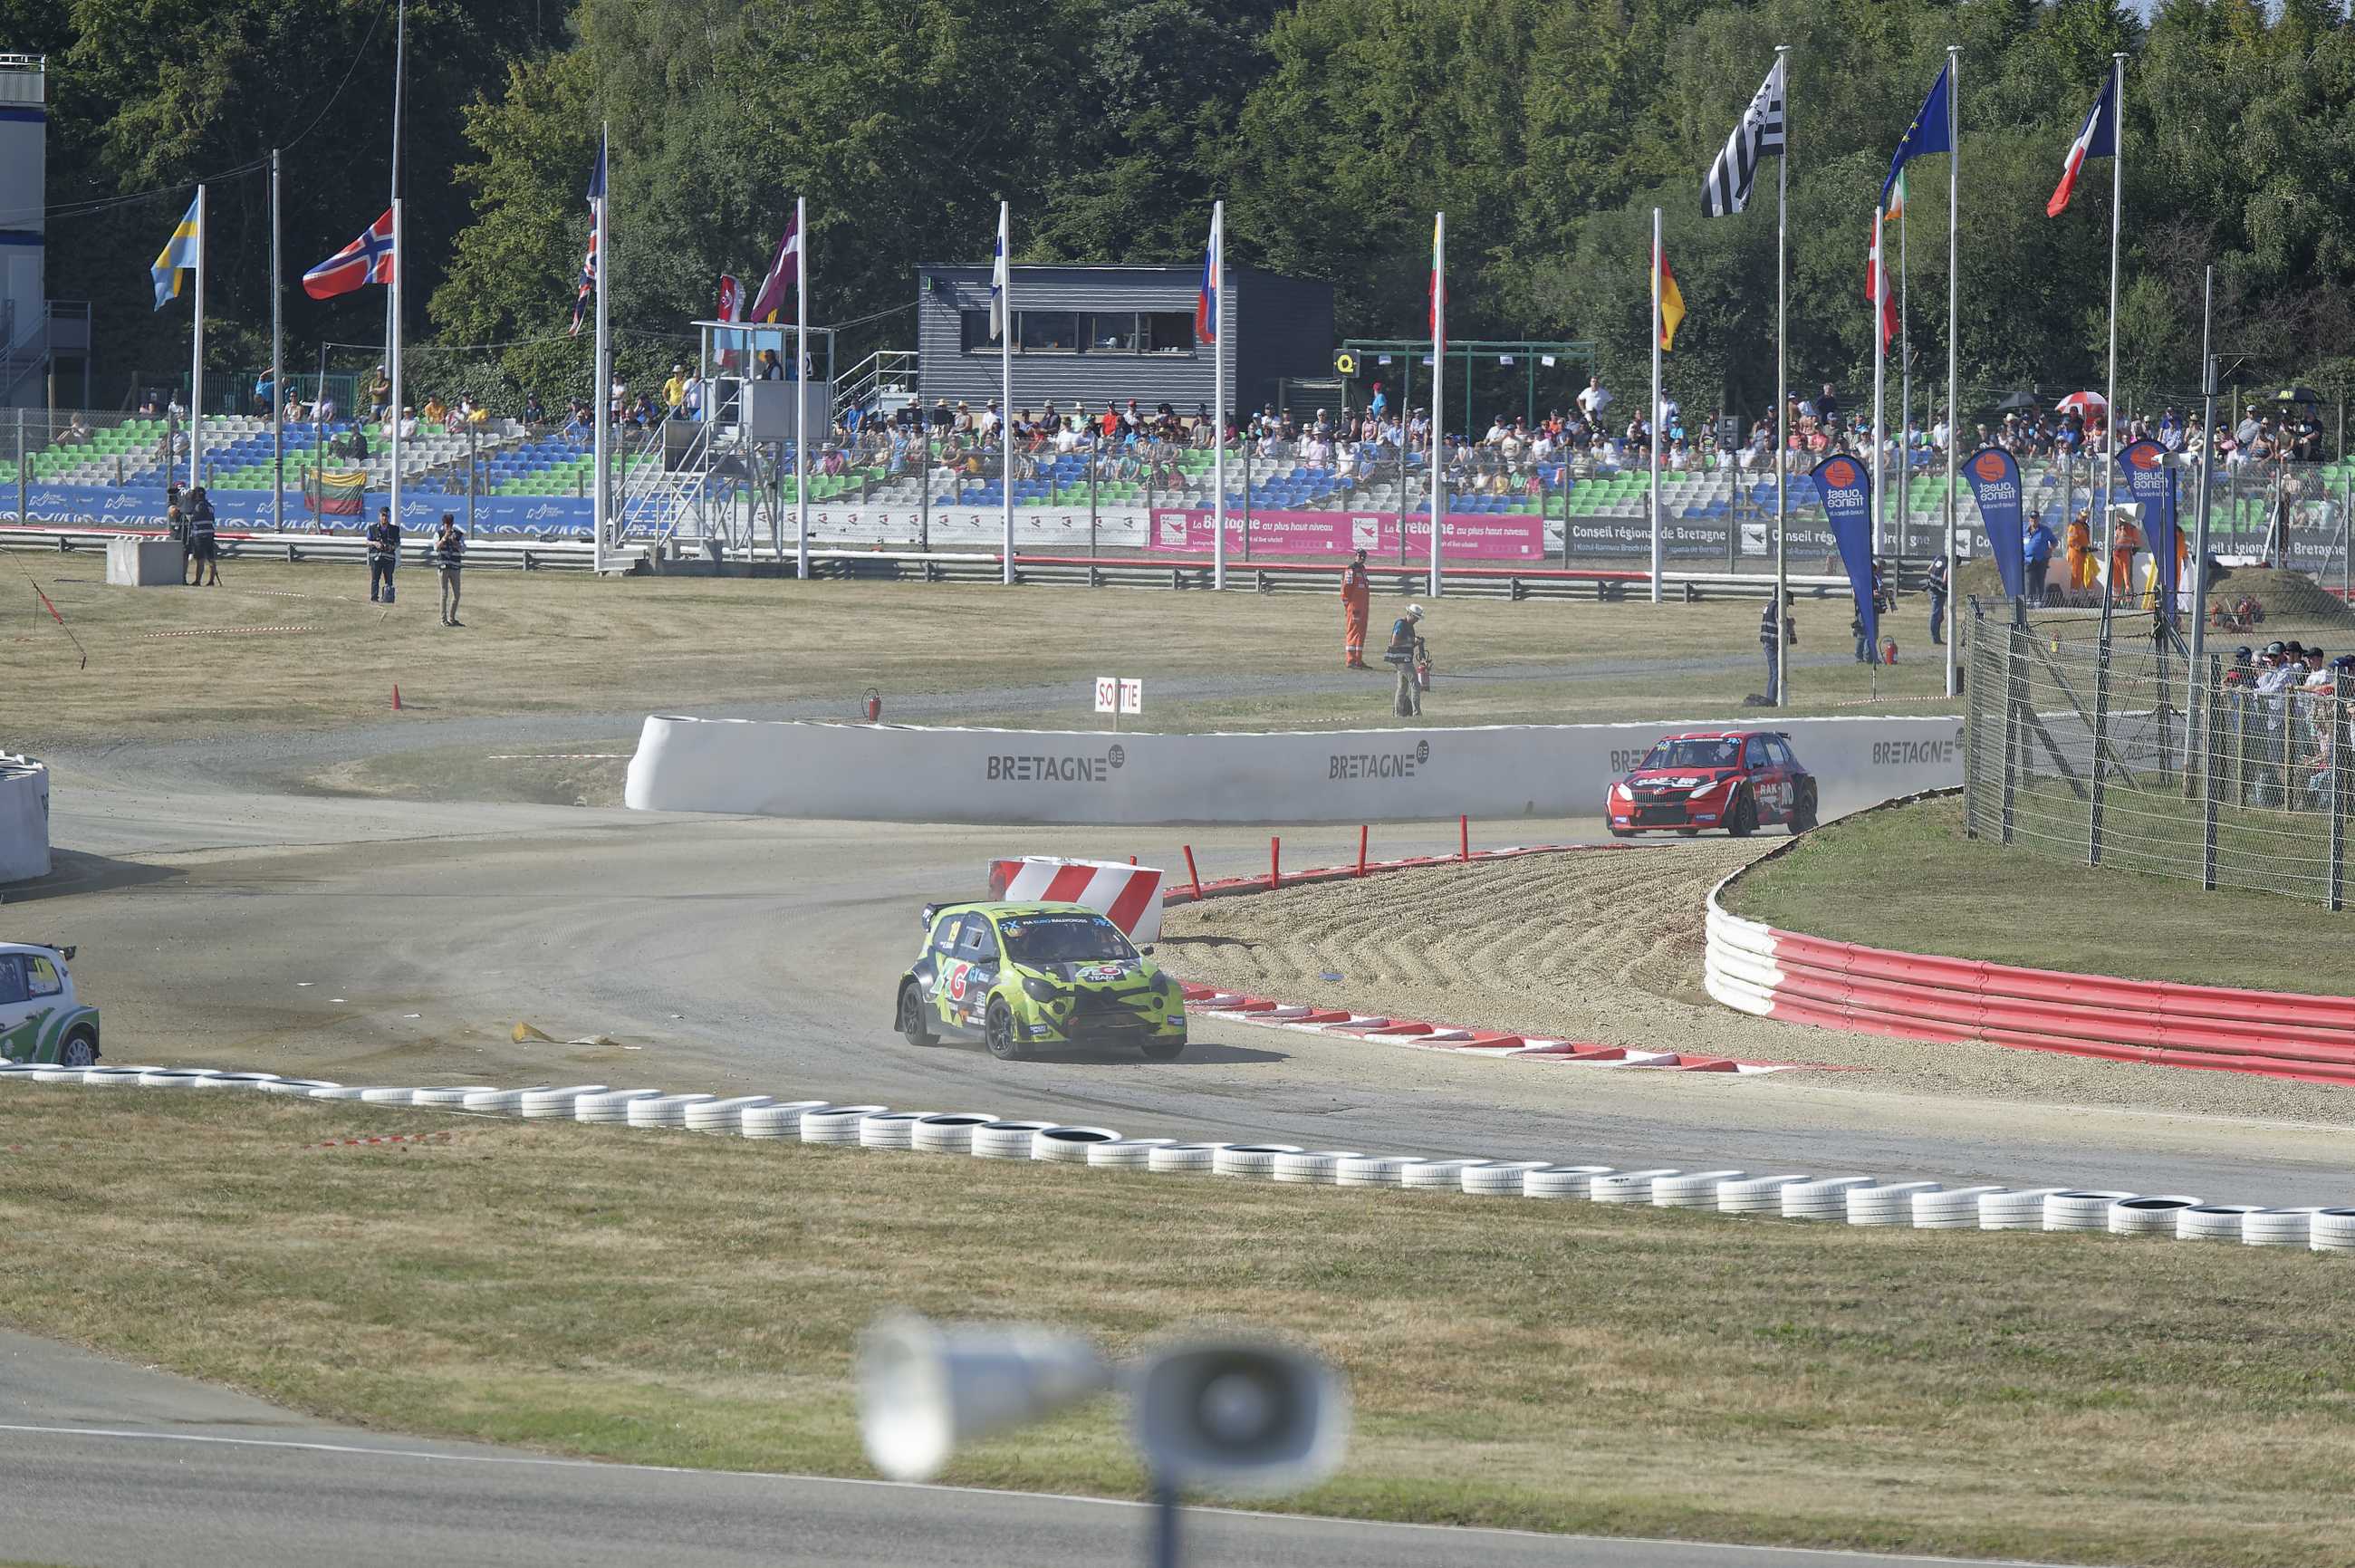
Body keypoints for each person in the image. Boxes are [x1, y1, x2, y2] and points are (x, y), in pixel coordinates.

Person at [1385, 603, 1426, 717]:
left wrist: (1415, 643)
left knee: (1402, 687)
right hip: (1402, 659)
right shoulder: (1401, 624)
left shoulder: (1409, 627)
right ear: (1409, 614)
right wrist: (1412, 640)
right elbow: (1394, 642)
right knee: (1415, 684)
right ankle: (1416, 713)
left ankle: (1398, 713)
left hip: (1404, 658)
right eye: (1415, 617)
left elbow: (1407, 645)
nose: (1416, 620)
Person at [1759, 593, 1795, 704]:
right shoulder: (1778, 607)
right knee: (1777, 672)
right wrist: (1790, 623)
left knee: (1773, 672)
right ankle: (1771, 699)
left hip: (1768, 642)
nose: (1787, 607)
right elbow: (1780, 623)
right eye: (1788, 603)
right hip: (1772, 642)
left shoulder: (1770, 605)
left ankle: (1770, 697)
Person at [1340, 548, 1371, 669]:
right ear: (1355, 556)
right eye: (1360, 556)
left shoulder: (1363, 570)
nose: (1362, 558)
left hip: (1363, 607)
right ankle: (1351, 660)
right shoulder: (1351, 569)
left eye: (1364, 556)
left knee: (1361, 633)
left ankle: (1358, 659)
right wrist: (1347, 605)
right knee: (1353, 632)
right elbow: (1345, 589)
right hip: (1354, 607)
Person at [434, 514, 466, 626]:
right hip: (443, 566)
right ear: (443, 524)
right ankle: (443, 620)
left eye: (450, 524)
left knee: (457, 594)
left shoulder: (458, 534)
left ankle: (452, 618)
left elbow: (464, 550)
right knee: (444, 594)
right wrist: (444, 538)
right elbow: (436, 548)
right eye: (447, 524)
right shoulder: (438, 533)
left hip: (455, 567)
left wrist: (456, 543)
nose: (449, 527)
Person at [366, 505, 400, 604]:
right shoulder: (372, 528)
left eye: (386, 516)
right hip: (376, 558)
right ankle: (374, 598)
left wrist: (391, 547)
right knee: (375, 578)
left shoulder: (394, 529)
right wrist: (375, 543)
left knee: (389, 579)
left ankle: (388, 597)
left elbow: (398, 543)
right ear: (379, 516)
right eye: (383, 515)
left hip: (389, 559)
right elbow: (367, 541)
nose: (384, 518)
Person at [185, 486, 219, 586]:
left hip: (199, 534)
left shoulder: (197, 506)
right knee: (211, 558)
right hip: (210, 533)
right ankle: (211, 580)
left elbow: (192, 519)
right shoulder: (209, 505)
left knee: (200, 559)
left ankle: (197, 581)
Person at [2109, 512, 2143, 607]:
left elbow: (2138, 544)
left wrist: (2132, 551)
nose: (2118, 520)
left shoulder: (2131, 529)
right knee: (2116, 580)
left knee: (2127, 579)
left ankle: (2129, 601)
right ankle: (2116, 601)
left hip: (2125, 556)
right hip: (2115, 556)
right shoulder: (2115, 528)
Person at [2023, 512, 2056, 605]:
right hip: (2028, 559)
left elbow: (2054, 541)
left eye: (2036, 519)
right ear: (2029, 520)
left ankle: (2039, 600)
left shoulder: (2045, 530)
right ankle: (2029, 599)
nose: (2033, 521)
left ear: (2039, 519)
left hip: (2041, 559)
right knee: (2029, 580)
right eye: (2032, 519)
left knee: (2040, 579)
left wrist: (2050, 549)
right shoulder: (2024, 530)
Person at [2064, 509, 2093, 595]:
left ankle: (2091, 596)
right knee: (2076, 574)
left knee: (2087, 574)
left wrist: (2088, 548)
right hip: (2075, 553)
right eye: (2083, 516)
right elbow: (2071, 541)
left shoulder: (2085, 526)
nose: (2084, 518)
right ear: (2078, 515)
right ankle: (2074, 597)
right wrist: (2080, 548)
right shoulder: (2074, 526)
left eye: (2086, 516)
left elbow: (2085, 539)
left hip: (2084, 553)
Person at [1926, 555, 1947, 645]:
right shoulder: (1948, 563)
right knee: (1935, 615)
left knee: (1940, 616)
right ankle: (1935, 639)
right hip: (1939, 592)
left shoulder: (1939, 557)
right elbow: (1945, 579)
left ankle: (1937, 637)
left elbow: (1929, 569)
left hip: (1931, 588)